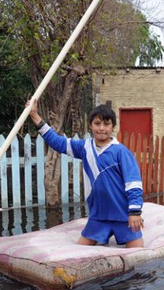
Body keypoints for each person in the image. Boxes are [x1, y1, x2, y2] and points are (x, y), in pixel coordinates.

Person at [27, 98, 145, 248]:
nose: (101, 128)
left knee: (139, 255)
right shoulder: (84, 148)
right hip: (98, 216)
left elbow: (133, 183)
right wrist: (35, 116)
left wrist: (134, 213)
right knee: (80, 252)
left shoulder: (121, 152)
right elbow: (58, 142)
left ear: (113, 127)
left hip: (123, 215)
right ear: (90, 125)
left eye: (106, 124)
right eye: (97, 123)